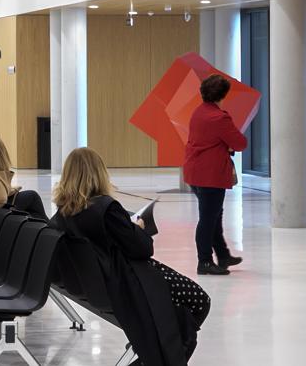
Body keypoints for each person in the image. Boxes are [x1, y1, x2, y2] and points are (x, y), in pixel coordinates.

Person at [52, 147, 209, 365]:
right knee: (199, 301)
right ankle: (162, 355)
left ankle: (159, 352)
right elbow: (142, 249)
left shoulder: (62, 214)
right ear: (99, 173)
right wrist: (139, 228)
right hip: (127, 282)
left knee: (179, 316)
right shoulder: (106, 209)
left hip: (98, 284)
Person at [182, 74, 247, 275]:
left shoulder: (198, 112)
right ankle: (204, 262)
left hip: (195, 172)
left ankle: (223, 254)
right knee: (208, 219)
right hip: (210, 175)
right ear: (223, 94)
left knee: (214, 215)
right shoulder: (220, 117)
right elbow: (240, 143)